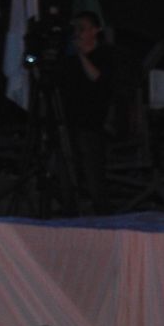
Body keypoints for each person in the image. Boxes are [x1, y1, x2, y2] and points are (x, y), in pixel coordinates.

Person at [56, 12, 113, 213]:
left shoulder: (105, 54)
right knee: (66, 171)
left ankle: (102, 214)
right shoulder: (68, 60)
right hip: (69, 122)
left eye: (83, 27)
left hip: (92, 123)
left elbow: (97, 78)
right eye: (76, 28)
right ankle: (69, 211)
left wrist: (81, 54)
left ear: (95, 30)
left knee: (93, 173)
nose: (78, 32)